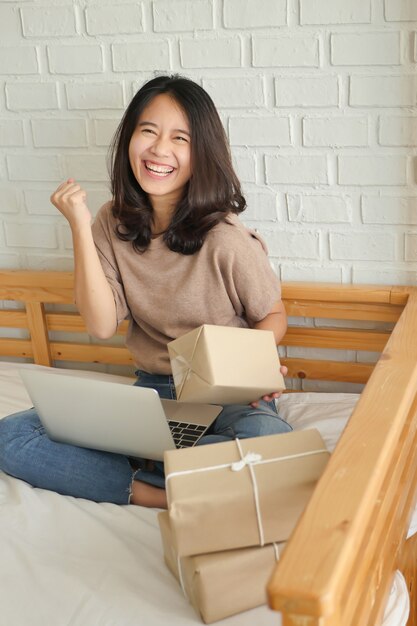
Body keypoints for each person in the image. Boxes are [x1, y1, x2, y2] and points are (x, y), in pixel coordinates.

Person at [0, 75, 291, 509]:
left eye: (180, 138)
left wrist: (249, 367)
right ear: (130, 140)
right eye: (148, 131)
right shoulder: (109, 222)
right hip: (153, 394)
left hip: (223, 395)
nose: (159, 150)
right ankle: (155, 491)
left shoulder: (225, 238)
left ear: (202, 153)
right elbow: (100, 325)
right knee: (13, 436)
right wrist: (79, 225)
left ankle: (149, 467)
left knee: (267, 438)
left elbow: (274, 316)